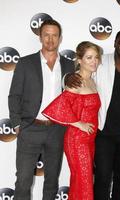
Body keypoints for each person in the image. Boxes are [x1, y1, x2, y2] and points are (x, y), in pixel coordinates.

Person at [65, 29, 120, 200]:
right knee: (103, 178)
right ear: (115, 43)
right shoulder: (100, 62)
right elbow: (81, 73)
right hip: (103, 133)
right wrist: (68, 77)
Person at [8, 19, 74, 200]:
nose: (50, 40)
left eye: (54, 35)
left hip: (56, 130)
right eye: (46, 35)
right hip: (29, 128)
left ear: (60, 38)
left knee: (52, 181)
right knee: (23, 181)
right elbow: (14, 96)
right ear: (40, 37)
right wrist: (17, 125)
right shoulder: (25, 63)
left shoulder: (69, 65)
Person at [42, 41, 102, 200]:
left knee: (80, 182)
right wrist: (78, 123)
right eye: (89, 57)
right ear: (79, 60)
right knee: (84, 182)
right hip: (77, 140)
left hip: (90, 140)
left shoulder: (92, 81)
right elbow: (58, 106)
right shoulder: (76, 81)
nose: (94, 61)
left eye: (96, 57)